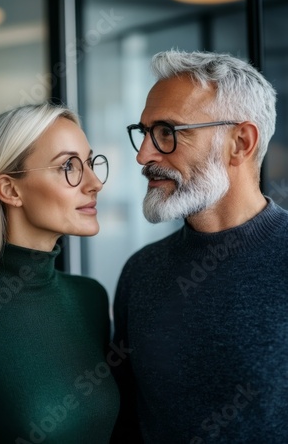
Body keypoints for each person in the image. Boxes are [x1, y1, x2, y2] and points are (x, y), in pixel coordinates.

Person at [111, 50, 288, 443]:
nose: (143, 156)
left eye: (168, 132)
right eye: (144, 132)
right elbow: (127, 423)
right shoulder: (141, 272)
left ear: (240, 143)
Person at [0, 102, 120, 443]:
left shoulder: (89, 298)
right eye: (68, 166)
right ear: (10, 190)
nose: (94, 183)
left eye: (90, 163)